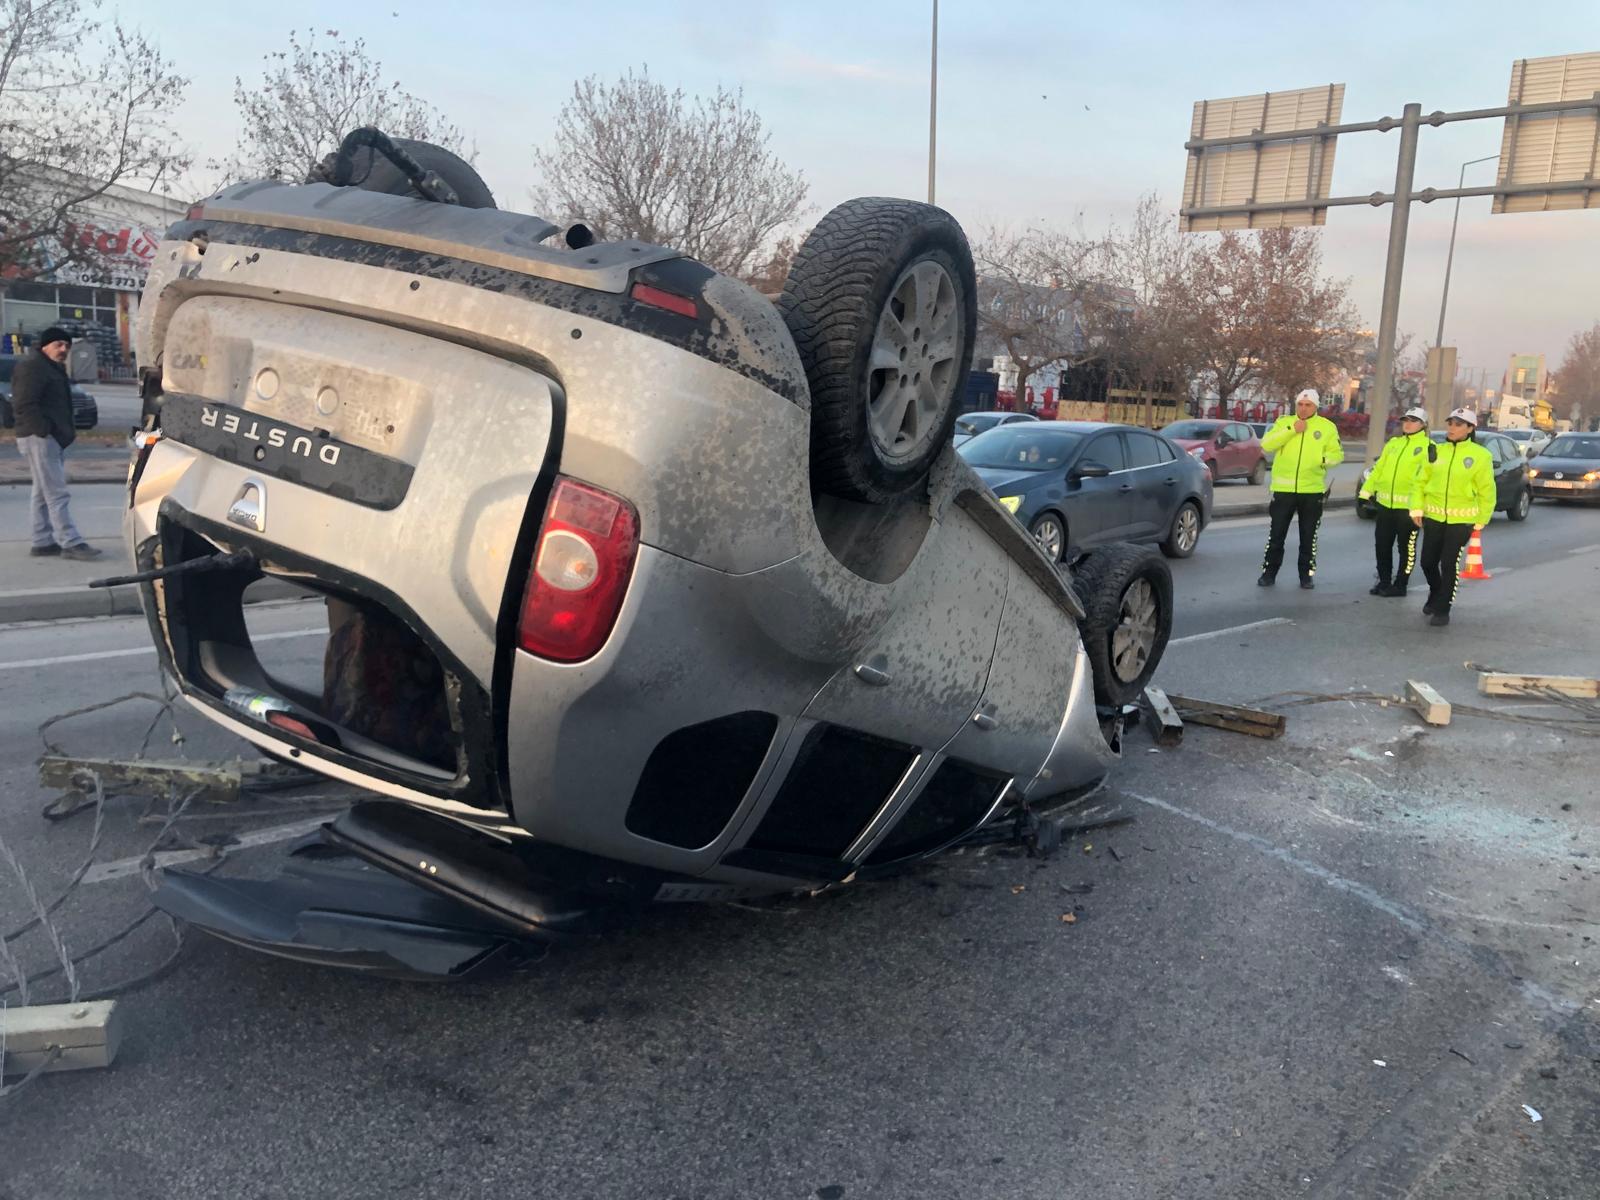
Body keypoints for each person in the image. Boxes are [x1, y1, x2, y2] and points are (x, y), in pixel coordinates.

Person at [12, 327, 102, 561]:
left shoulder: (50, 367)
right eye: (58, 345)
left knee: (42, 492)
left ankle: (41, 541)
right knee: (56, 492)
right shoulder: (33, 367)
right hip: (39, 437)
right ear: (45, 346)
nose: (64, 349)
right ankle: (70, 542)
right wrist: (44, 430)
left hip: (48, 436)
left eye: (67, 346)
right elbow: (24, 404)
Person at [1410, 407, 1496, 627]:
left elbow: (1487, 490)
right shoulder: (1436, 451)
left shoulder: (1480, 456)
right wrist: (1416, 508)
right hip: (1434, 517)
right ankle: (1436, 591)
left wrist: (1482, 517)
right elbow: (1419, 483)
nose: (1452, 428)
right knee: (1427, 562)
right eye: (1450, 423)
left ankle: (1443, 608)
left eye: (1458, 424)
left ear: (1470, 428)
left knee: (1448, 563)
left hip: (1461, 521)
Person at [1257, 388, 1345, 589]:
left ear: (1316, 407)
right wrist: (1292, 430)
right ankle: (1268, 573)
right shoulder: (1284, 422)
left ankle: (1306, 575)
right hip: (1283, 490)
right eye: (1300, 404)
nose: (1303, 408)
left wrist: (1321, 459)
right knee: (1276, 535)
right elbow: (1267, 444)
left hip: (1312, 491)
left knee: (1308, 537)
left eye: (1308, 405)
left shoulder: (1327, 427)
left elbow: (1337, 454)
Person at [1359, 406, 1431, 596]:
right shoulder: (1393, 444)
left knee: (1406, 549)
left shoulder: (1428, 447)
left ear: (1423, 425)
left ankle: (1401, 584)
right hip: (1385, 505)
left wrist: (1420, 507)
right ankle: (1384, 581)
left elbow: (1427, 480)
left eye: (1413, 421)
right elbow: (1378, 470)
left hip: (1409, 509)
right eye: (1405, 420)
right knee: (1382, 546)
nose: (1408, 424)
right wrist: (1365, 493)